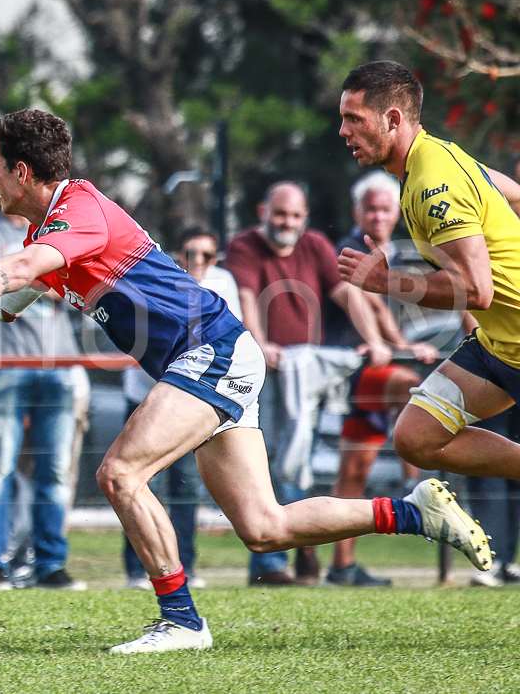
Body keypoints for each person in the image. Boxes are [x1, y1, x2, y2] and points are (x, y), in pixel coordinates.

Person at [0, 108, 489, 654]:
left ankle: (181, 621)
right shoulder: (54, 232)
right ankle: (412, 514)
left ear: (22, 170)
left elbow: (16, 270)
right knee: (263, 527)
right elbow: (6, 305)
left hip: (210, 350)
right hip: (212, 356)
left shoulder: (79, 209)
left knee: (119, 473)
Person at [337, 60, 520, 531]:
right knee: (416, 438)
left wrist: (385, 282)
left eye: (354, 119)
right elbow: (513, 194)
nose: (343, 131)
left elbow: (477, 290)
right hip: (500, 347)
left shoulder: (431, 183)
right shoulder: (435, 158)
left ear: (393, 119)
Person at [223, 180, 391, 585]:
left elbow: (348, 295)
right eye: (280, 214)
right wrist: (260, 344)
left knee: (299, 465)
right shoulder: (244, 246)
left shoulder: (315, 245)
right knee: (270, 464)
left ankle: (303, 552)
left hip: (307, 376)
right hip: (264, 374)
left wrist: (374, 340)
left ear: (306, 218)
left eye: (296, 216)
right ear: (264, 210)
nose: (287, 223)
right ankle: (271, 564)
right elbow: (247, 298)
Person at [323, 171, 440, 586]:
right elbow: (369, 304)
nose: (377, 216)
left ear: (396, 213)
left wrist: (402, 341)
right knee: (414, 387)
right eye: (370, 208)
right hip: (360, 370)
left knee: (352, 474)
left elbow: (383, 311)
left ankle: (340, 566)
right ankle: (420, 482)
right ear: (358, 212)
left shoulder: (387, 252)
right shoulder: (354, 249)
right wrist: (399, 345)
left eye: (385, 209)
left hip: (370, 373)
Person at [0, 208, 81, 590]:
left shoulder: (60, 229)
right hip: (6, 362)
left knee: (56, 472)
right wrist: (40, 278)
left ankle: (50, 566)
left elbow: (77, 287)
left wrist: (28, 277)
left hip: (61, 364)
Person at [121, 225, 240, 591]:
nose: (198, 262)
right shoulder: (161, 278)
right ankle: (137, 570)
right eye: (190, 254)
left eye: (206, 255)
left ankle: (184, 565)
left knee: (186, 487)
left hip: (191, 395)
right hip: (147, 391)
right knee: (133, 480)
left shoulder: (223, 282)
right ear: (178, 255)